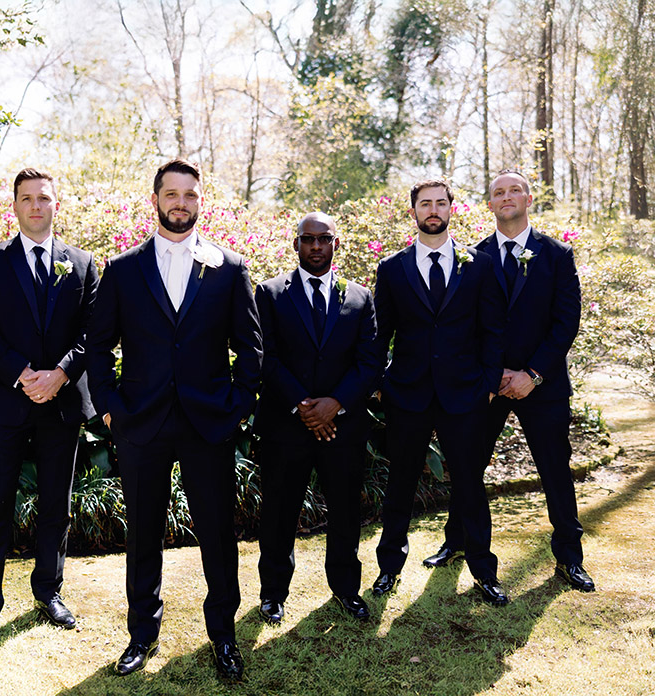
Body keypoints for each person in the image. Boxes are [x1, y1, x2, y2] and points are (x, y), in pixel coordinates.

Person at [86, 159, 262, 680]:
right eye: (172, 193)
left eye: (190, 194)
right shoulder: (120, 269)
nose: (180, 202)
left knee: (217, 532)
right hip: (141, 422)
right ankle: (141, 635)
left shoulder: (229, 268)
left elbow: (251, 348)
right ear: (156, 199)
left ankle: (224, 635)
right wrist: (111, 408)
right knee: (143, 533)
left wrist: (237, 407)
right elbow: (98, 348)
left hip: (209, 422)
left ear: (200, 202)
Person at [424, 170, 594, 592]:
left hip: (542, 383)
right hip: (487, 385)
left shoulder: (557, 254)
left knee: (555, 470)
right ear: (489, 204)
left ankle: (570, 558)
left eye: (514, 189)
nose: (506, 197)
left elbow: (565, 322)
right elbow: (468, 325)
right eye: (498, 192)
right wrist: (489, 374)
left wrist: (533, 374)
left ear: (529, 198)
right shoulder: (473, 256)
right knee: (469, 467)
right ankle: (457, 541)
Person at [0, 168, 99, 656]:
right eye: (26, 199)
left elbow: (93, 333)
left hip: (61, 406)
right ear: (15, 206)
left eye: (44, 198)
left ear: (56, 203)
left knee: (55, 508)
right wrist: (22, 374)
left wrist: (59, 374)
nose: (36, 206)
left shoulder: (82, 264)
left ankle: (49, 592)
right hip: (5, 403)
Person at [371, 179, 510, 606]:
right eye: (424, 204)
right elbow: (380, 334)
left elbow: (493, 330)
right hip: (408, 395)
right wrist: (379, 384)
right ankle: (388, 570)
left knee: (469, 483)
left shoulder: (480, 264)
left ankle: (485, 572)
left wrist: (488, 385)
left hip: (465, 396)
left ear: (452, 209)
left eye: (440, 203)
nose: (433, 210)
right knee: (401, 483)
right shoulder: (392, 268)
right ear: (412, 211)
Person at [255, 212, 382, 624]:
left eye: (323, 239)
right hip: (285, 425)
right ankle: (273, 593)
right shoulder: (270, 293)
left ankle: (346, 588)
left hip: (342, 427)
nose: (314, 246)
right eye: (307, 239)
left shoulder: (361, 298)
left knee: (345, 509)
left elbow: (369, 362)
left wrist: (336, 404)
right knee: (279, 511)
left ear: (336, 244)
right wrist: (305, 406)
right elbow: (265, 359)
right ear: (295, 245)